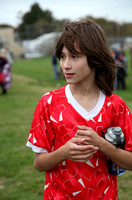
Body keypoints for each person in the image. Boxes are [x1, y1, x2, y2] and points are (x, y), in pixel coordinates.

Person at [26, 19, 132, 200]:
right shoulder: (49, 102)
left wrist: (102, 144)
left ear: (95, 57)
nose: (65, 65)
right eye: (62, 56)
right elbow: (39, 163)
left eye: (74, 56)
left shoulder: (115, 105)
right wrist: (63, 152)